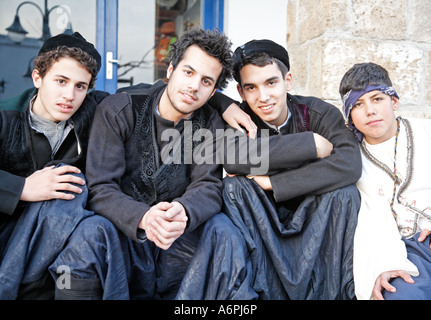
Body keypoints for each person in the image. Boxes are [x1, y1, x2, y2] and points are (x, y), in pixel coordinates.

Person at [49, 28, 257, 300]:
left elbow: (207, 184)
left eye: (206, 82)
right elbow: (101, 187)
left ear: (214, 91)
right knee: (88, 234)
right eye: (188, 72)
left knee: (223, 229)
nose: (194, 86)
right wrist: (144, 217)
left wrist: (184, 210)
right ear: (171, 69)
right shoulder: (119, 110)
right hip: (123, 233)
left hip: (178, 237)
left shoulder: (211, 122)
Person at [212, 39, 362, 299]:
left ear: (288, 80)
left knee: (346, 194)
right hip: (262, 225)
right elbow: (234, 158)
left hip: (315, 222)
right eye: (251, 87)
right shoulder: (239, 119)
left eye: (271, 83)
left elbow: (349, 163)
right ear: (241, 91)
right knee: (233, 188)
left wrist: (275, 183)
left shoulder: (318, 113)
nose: (263, 97)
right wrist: (310, 144)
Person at [0, 32, 108, 299]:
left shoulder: (94, 111)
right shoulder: (5, 117)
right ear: (38, 77)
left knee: (87, 214)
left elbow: (154, 95)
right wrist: (21, 187)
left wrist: (221, 102)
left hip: (61, 248)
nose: (69, 95)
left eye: (80, 86)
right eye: (61, 81)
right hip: (7, 247)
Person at [340, 62, 431, 300]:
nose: (370, 110)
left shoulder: (426, 132)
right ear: (349, 116)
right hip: (400, 251)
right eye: (358, 104)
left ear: (394, 101)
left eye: (377, 99)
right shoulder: (349, 158)